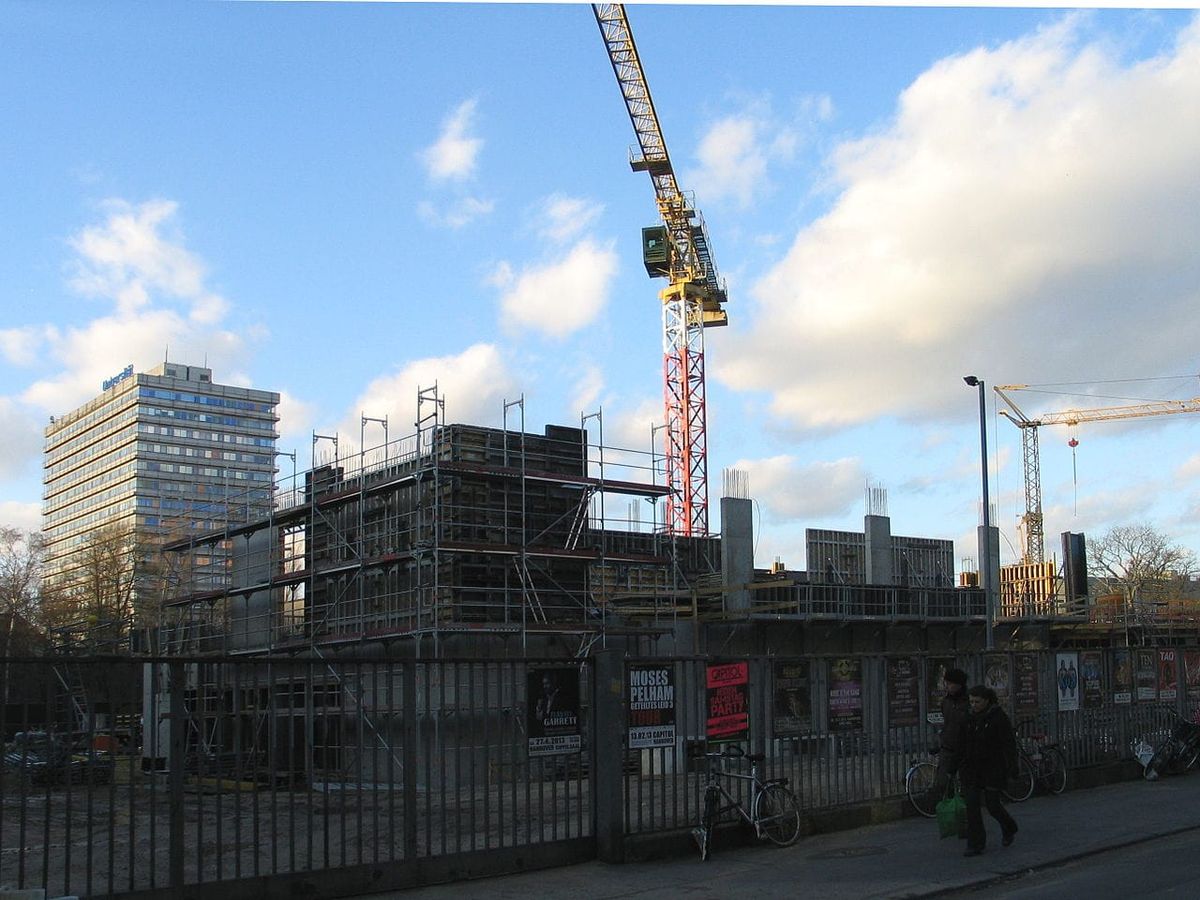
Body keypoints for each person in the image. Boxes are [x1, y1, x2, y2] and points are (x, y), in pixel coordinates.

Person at [960, 684, 1019, 857]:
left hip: (993, 767)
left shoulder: (998, 717)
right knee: (972, 805)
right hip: (972, 768)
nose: (974, 705)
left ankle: (1008, 826)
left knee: (993, 805)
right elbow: (961, 743)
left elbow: (1009, 744)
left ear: (987, 700)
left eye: (977, 701)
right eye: (971, 701)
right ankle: (975, 844)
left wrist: (1012, 766)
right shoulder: (969, 717)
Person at [925, 667, 969, 805]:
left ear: (958, 684)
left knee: (966, 782)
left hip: (964, 747)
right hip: (948, 746)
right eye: (947, 683)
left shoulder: (968, 702)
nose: (947, 686)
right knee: (943, 781)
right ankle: (950, 804)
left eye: (950, 683)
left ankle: (965, 807)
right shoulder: (946, 702)